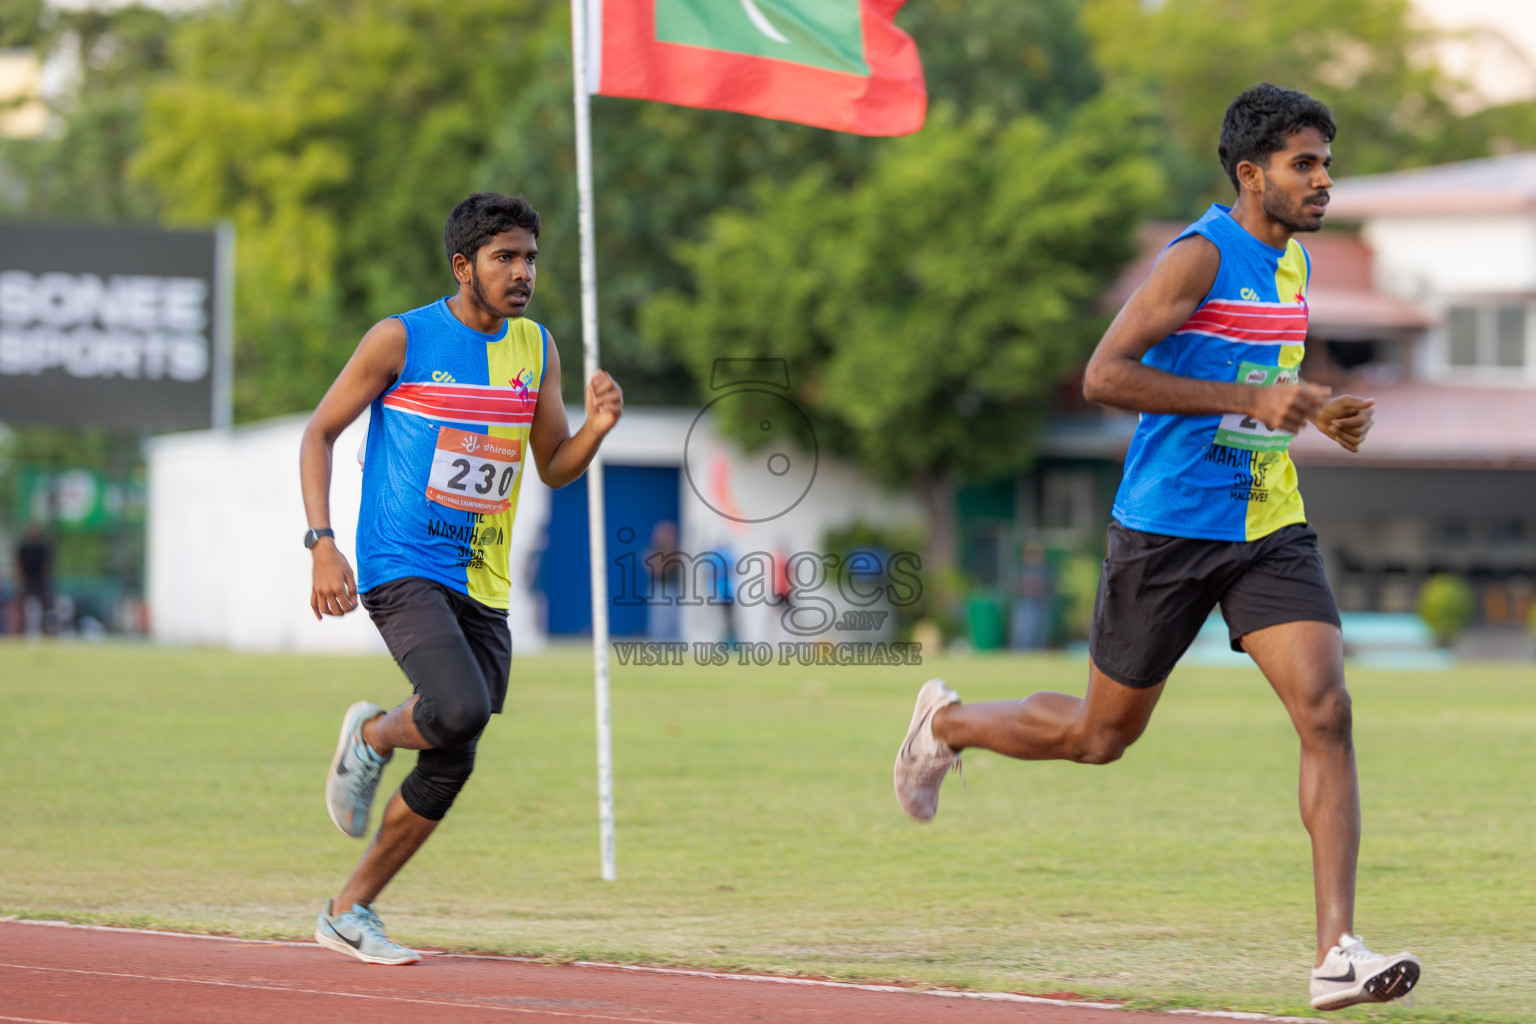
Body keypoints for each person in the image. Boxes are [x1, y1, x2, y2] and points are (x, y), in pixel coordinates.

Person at [893, 84, 1420, 1012]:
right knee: (1102, 737)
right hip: (1168, 528)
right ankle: (947, 725)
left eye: (1327, 162)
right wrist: (1247, 402)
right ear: (1251, 174)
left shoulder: (1292, 267)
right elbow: (1104, 375)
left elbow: (1257, 379)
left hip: (1266, 524)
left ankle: (1336, 950)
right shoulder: (1198, 256)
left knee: (1327, 711)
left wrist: (1313, 408)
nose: (1324, 179)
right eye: (1306, 163)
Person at [300, 192, 622, 965]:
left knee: (457, 745)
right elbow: (319, 432)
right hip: (400, 560)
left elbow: (552, 466)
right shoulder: (400, 340)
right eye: (504, 258)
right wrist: (321, 543)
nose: (521, 273)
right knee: (455, 705)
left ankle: (349, 911)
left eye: (530, 259)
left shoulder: (535, 348)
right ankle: (374, 734)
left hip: (482, 576)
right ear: (462, 265)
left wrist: (597, 431)